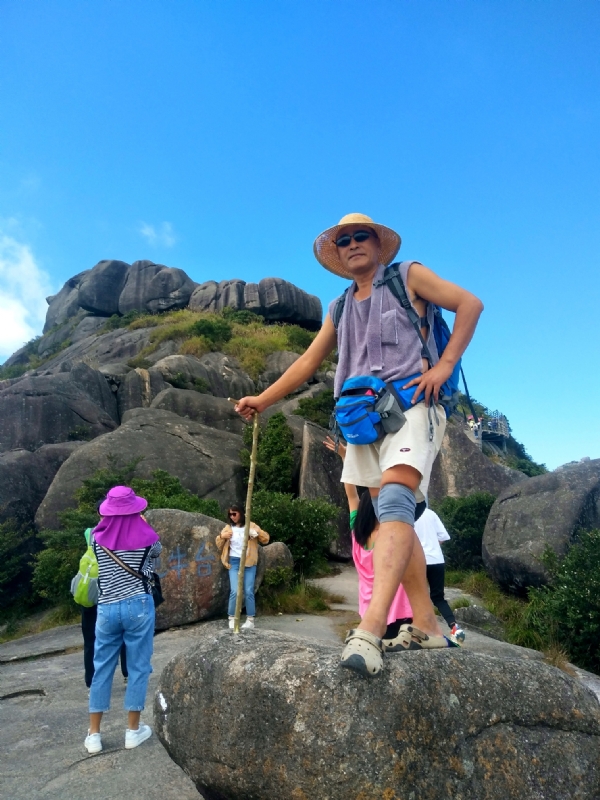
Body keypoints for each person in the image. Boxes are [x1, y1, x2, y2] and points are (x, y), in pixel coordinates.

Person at [235, 213, 483, 677]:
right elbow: (309, 360)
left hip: (412, 404)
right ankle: (427, 623)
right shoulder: (340, 307)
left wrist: (445, 364)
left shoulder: (408, 275)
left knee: (395, 503)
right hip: (362, 420)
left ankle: (370, 629)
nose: (351, 244)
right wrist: (263, 400)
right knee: (388, 520)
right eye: (343, 240)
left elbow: (469, 303)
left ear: (377, 243)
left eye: (360, 236)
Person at [84, 486, 162, 755]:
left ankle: (94, 735)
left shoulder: (96, 539)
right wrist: (143, 523)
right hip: (138, 604)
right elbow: (156, 554)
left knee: (102, 668)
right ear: (135, 509)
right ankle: (132, 731)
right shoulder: (149, 539)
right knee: (138, 667)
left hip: (106, 608)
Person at [324, 437, 413, 642]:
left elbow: (352, 496)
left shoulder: (357, 534)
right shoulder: (391, 535)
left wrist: (346, 457)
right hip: (397, 608)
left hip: (369, 610)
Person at [414, 508, 465, 643]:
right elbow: (443, 536)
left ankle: (423, 630)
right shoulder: (430, 513)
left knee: (416, 597)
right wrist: (432, 546)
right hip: (437, 560)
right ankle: (454, 628)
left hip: (418, 561)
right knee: (438, 598)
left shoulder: (407, 512)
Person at [216, 505, 270, 630]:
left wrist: (256, 533)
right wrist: (222, 536)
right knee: (234, 590)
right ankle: (231, 617)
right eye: (230, 514)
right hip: (234, 561)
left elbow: (266, 539)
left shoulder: (251, 526)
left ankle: (250, 620)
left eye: (234, 514)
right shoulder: (229, 528)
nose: (232, 517)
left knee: (249, 590)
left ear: (241, 513)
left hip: (249, 561)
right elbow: (218, 544)